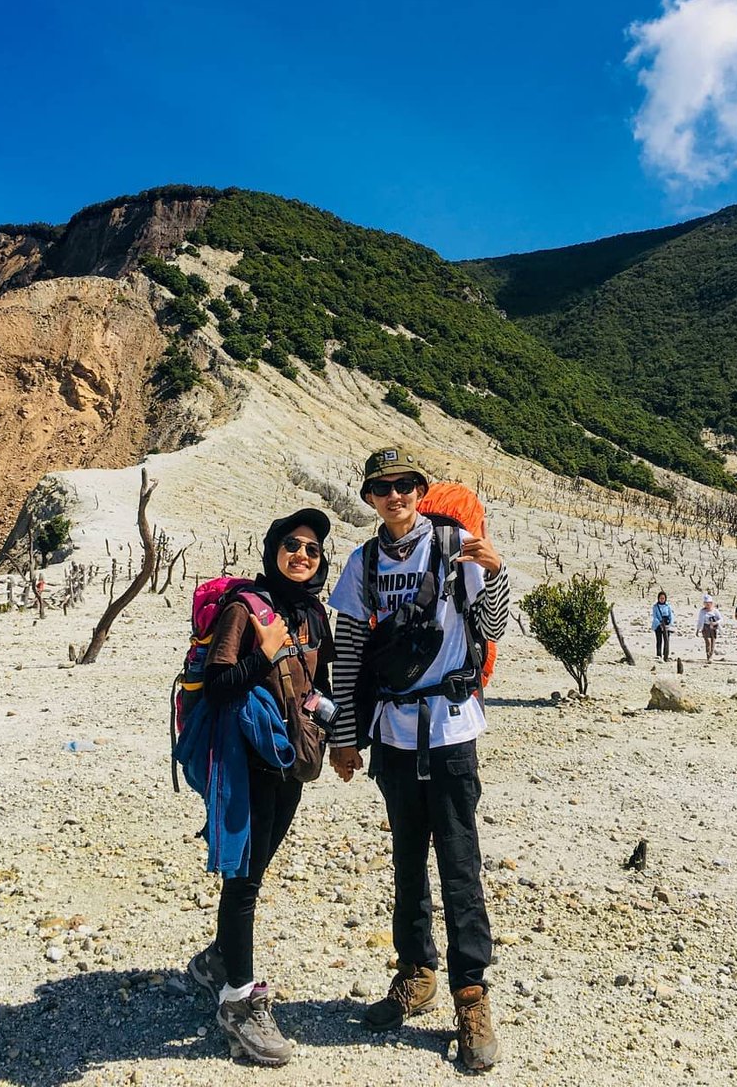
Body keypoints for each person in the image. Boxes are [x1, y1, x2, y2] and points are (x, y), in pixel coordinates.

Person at [327, 447, 510, 1072]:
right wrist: (345, 737)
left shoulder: (457, 543)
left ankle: (470, 993)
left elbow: (493, 625)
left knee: (460, 862)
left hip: (454, 727)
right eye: (383, 487)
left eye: (405, 485)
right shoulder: (363, 564)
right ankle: (415, 970)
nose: (395, 495)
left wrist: (499, 572)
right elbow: (348, 656)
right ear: (371, 498)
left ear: (417, 490)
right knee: (407, 860)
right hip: (396, 734)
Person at [186, 508, 334, 1067]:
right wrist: (266, 654)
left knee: (256, 872)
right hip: (245, 764)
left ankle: (219, 961)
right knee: (243, 882)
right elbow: (221, 686)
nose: (301, 555)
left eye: (312, 549)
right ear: (272, 549)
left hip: (288, 765)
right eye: (291, 545)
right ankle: (239, 1002)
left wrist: (330, 721)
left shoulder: (313, 614)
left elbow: (316, 684)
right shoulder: (243, 610)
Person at [695, 594, 722, 662]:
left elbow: (721, 619)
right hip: (705, 627)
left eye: (709, 603)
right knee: (708, 642)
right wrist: (698, 629)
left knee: (713, 642)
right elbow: (700, 621)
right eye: (706, 603)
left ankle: (711, 656)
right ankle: (708, 656)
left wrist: (715, 623)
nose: (708, 604)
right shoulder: (702, 611)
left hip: (713, 627)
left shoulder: (715, 611)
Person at [651, 591, 674, 661]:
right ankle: (659, 654)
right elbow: (655, 616)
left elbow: (671, 615)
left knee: (666, 640)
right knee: (659, 640)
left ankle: (666, 655)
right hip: (658, 625)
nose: (662, 599)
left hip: (666, 625)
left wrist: (670, 623)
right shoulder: (655, 607)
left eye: (663, 598)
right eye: (660, 598)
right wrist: (659, 623)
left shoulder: (668, 606)